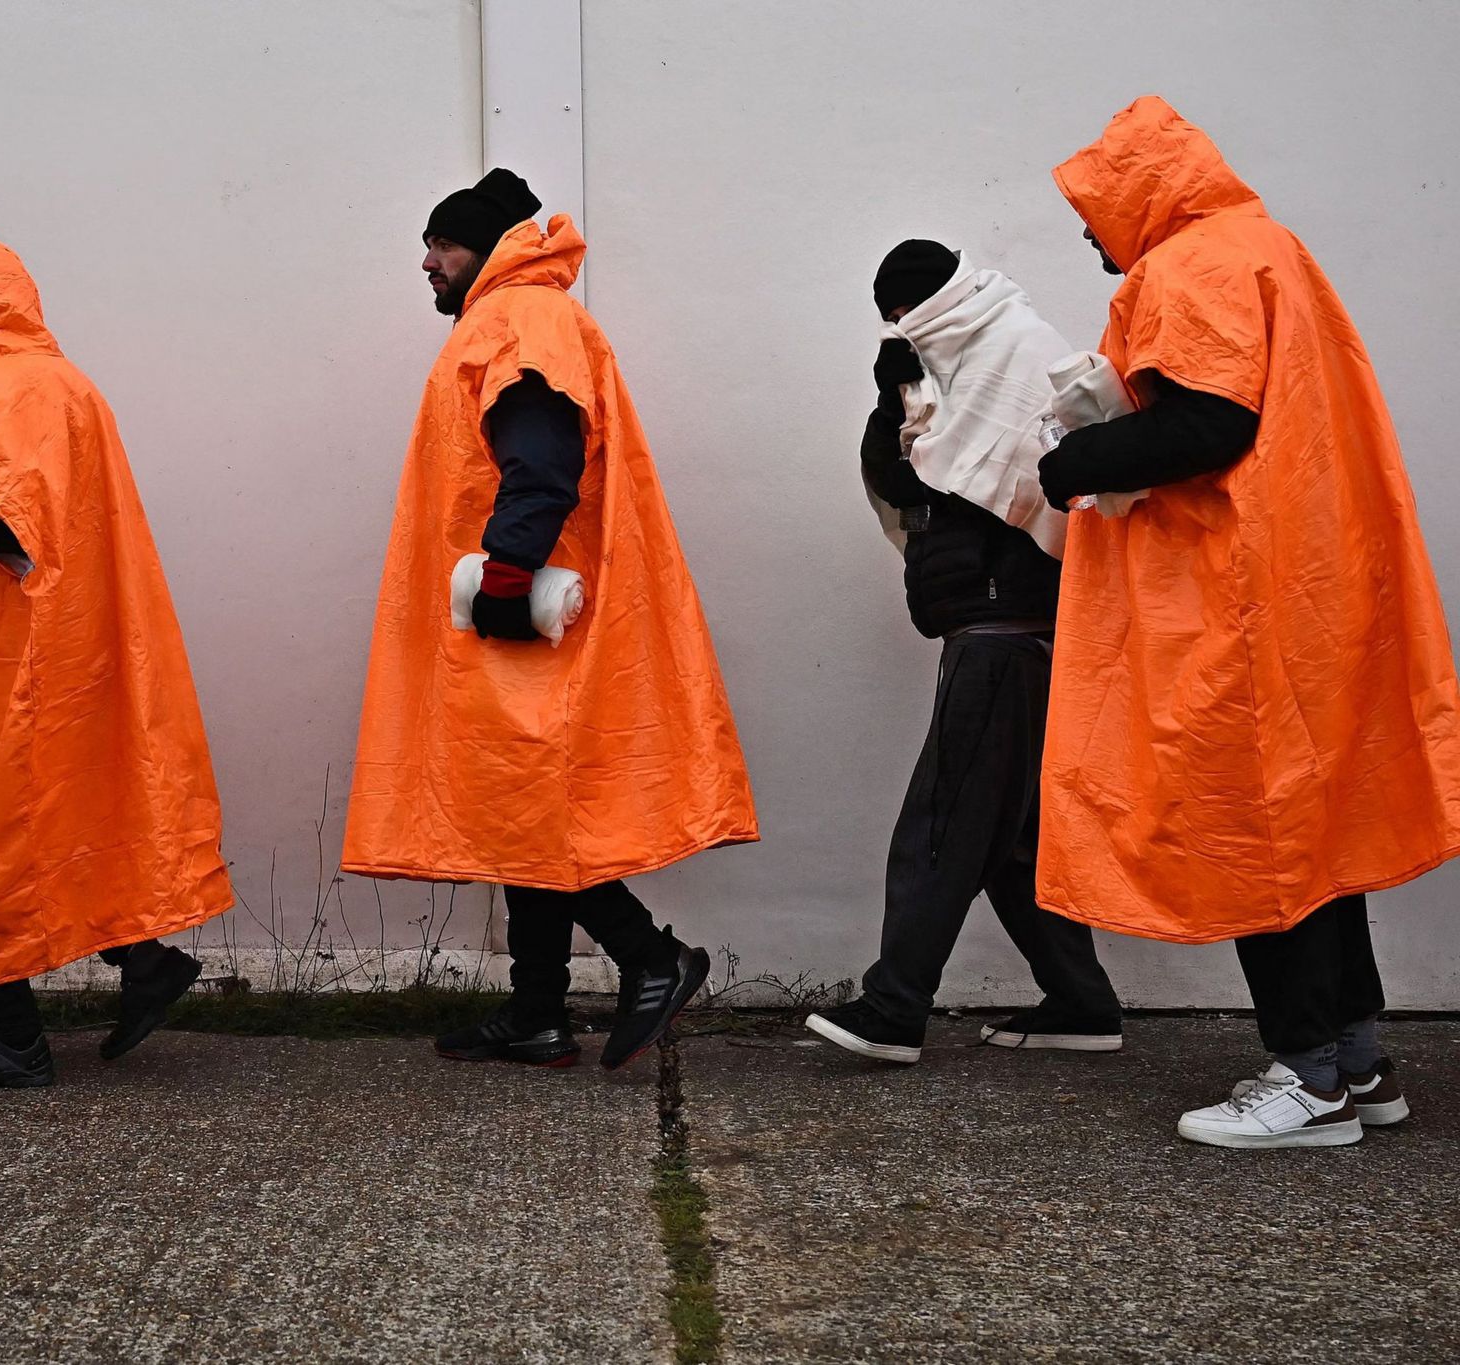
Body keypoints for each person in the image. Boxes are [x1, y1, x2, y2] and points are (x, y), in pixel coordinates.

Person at [1038, 96, 1460, 1148]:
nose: (1086, 232)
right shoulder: (1265, 248)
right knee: (1312, 842)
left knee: (1255, 841)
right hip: (1302, 585)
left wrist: (1070, 461)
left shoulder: (1187, 266)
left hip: (1228, 599)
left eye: (1092, 211)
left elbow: (1209, 422)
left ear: (1139, 195)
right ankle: (1358, 1062)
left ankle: (1305, 1077)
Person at [341, 170, 759, 1069]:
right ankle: (536, 1013)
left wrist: (505, 573)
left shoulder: (519, 321)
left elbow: (541, 453)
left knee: (528, 808)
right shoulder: (523, 317)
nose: (426, 261)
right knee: (517, 806)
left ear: (485, 248)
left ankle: (653, 958)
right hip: (526, 600)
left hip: (526, 605)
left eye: (441, 245)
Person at [0, 227, 234, 1091]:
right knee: (64, 813)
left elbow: (3, 523)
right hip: (73, 637)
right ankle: (143, 960)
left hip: (5, 652)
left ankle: (15, 1038)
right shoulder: (65, 383)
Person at [805, 241, 1123, 1065]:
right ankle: (1083, 1004)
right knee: (1010, 833)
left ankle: (895, 1006)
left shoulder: (1018, 356)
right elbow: (902, 477)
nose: (896, 327)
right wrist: (892, 401)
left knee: (944, 822)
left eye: (902, 309)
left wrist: (913, 406)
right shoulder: (942, 374)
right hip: (993, 629)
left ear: (938, 301)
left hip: (1006, 628)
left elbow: (1003, 486)